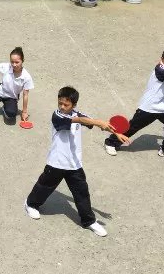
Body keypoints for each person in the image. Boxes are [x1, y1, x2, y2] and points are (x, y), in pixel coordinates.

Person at [24, 86, 127, 237]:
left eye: (66, 104)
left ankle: (89, 221)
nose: (62, 106)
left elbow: (90, 122)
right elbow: (78, 120)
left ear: (74, 105)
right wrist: (97, 122)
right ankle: (30, 204)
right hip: (57, 161)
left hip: (74, 164)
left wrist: (116, 133)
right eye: (60, 103)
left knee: (82, 193)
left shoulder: (78, 114)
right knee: (44, 186)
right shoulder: (57, 115)